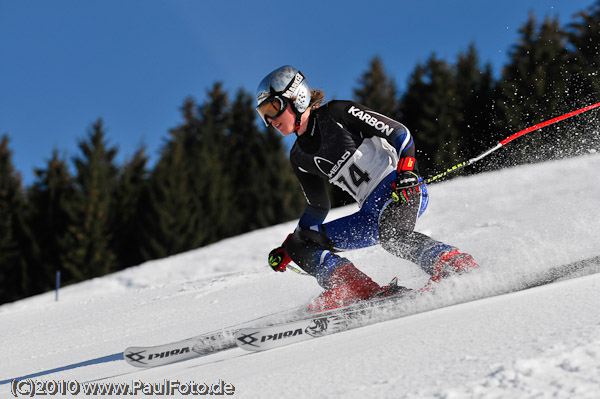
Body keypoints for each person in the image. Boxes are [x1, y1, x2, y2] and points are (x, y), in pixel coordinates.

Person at [256, 65, 478, 311]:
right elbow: (317, 206)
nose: (269, 120)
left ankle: (454, 265)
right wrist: (289, 247)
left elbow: (400, 133)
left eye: (273, 108)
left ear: (297, 98)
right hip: (370, 215)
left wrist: (406, 171)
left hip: (398, 189)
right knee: (300, 243)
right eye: (263, 114)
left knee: (393, 236)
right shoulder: (299, 157)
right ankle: (355, 289)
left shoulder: (337, 113)